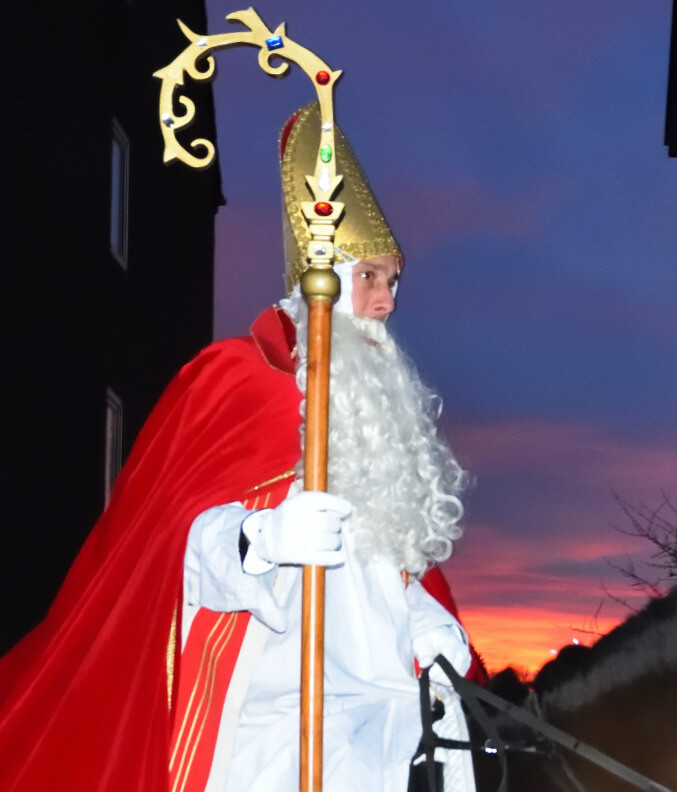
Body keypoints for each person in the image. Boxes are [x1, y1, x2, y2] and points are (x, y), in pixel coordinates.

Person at [0, 102, 485, 792]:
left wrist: (423, 622)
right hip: (274, 713)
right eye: (370, 277)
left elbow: (382, 570)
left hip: (376, 702)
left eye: (393, 280)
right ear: (326, 279)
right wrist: (261, 536)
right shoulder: (233, 379)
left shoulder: (371, 418)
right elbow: (167, 543)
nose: (387, 301)